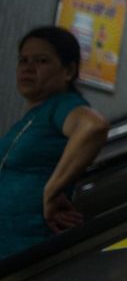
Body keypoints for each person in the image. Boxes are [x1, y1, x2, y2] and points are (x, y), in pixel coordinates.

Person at [1, 27, 109, 257]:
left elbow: (93, 127)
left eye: (41, 60)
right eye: (23, 60)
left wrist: (52, 190)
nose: (28, 68)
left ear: (68, 70)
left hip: (27, 248)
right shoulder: (30, 118)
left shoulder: (62, 106)